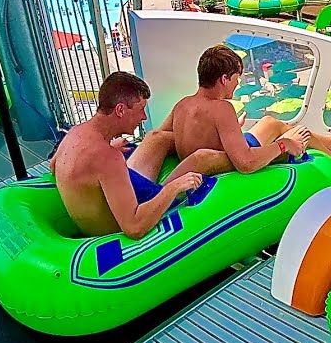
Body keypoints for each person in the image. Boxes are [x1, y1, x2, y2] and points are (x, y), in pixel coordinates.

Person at [51, 72, 220, 240]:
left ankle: (224, 138)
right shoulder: (107, 158)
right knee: (201, 158)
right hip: (130, 221)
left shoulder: (75, 133)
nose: (144, 117)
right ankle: (243, 146)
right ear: (120, 110)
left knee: (157, 138)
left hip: (118, 197)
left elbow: (54, 166)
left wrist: (107, 150)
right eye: (141, 109)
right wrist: (174, 187)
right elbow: (134, 227)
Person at [167, 44, 331, 175]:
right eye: (236, 78)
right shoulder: (221, 108)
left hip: (224, 151)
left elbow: (198, 133)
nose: (238, 83)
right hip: (230, 162)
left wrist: (228, 129)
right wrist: (283, 145)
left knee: (269, 122)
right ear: (224, 79)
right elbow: (246, 163)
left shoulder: (183, 104)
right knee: (300, 133)